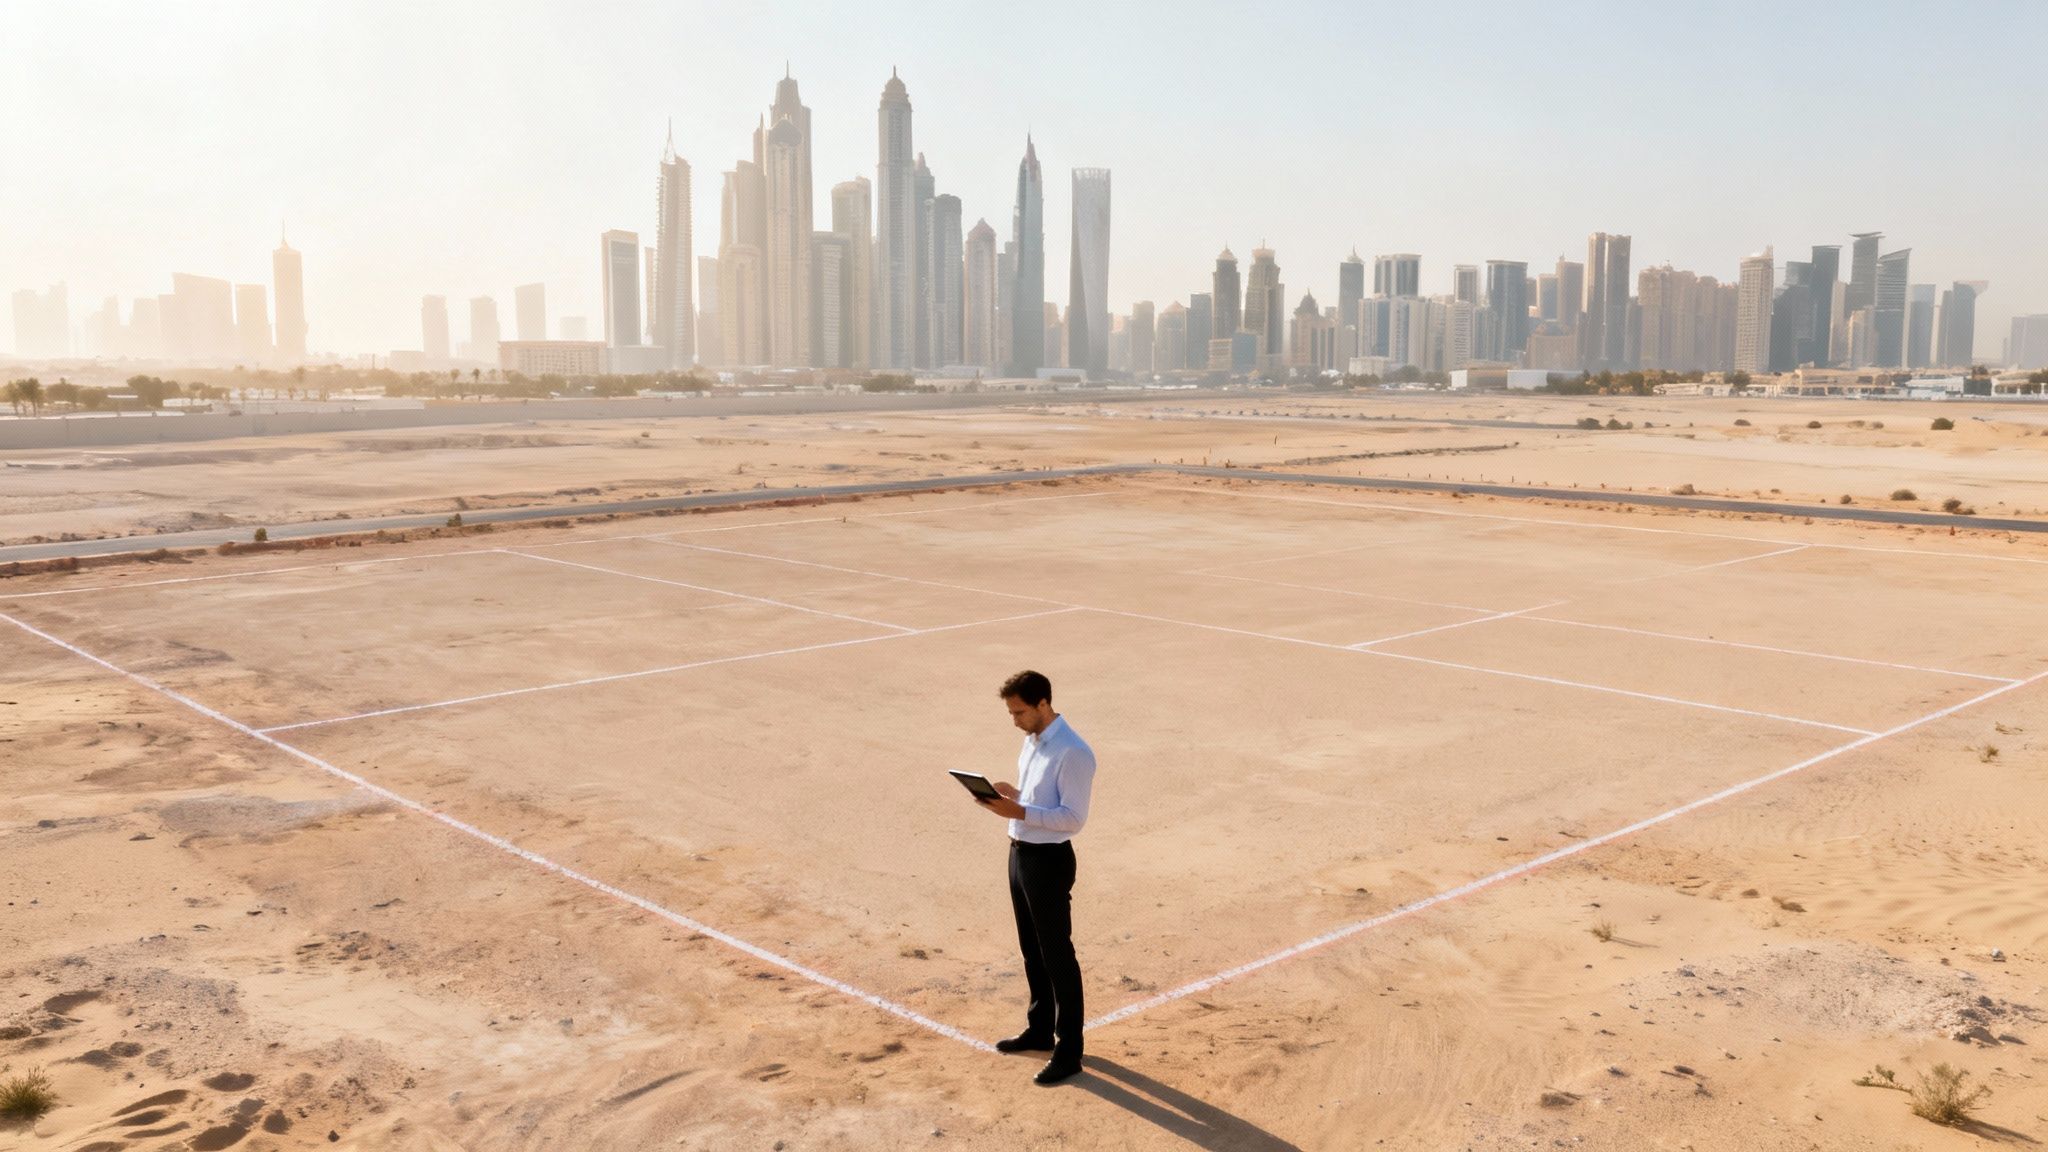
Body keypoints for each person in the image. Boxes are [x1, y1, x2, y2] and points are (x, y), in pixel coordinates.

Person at [973, 669, 1096, 1086]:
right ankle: (1040, 1029)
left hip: (1049, 860)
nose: (1015, 721)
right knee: (1031, 949)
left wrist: (1021, 811)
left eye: (1019, 712)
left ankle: (1070, 1051)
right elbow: (1040, 800)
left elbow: (1073, 818)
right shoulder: (1032, 742)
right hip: (1020, 854)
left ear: (1043, 704)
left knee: (1057, 955)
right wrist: (1015, 796)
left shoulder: (1074, 752)